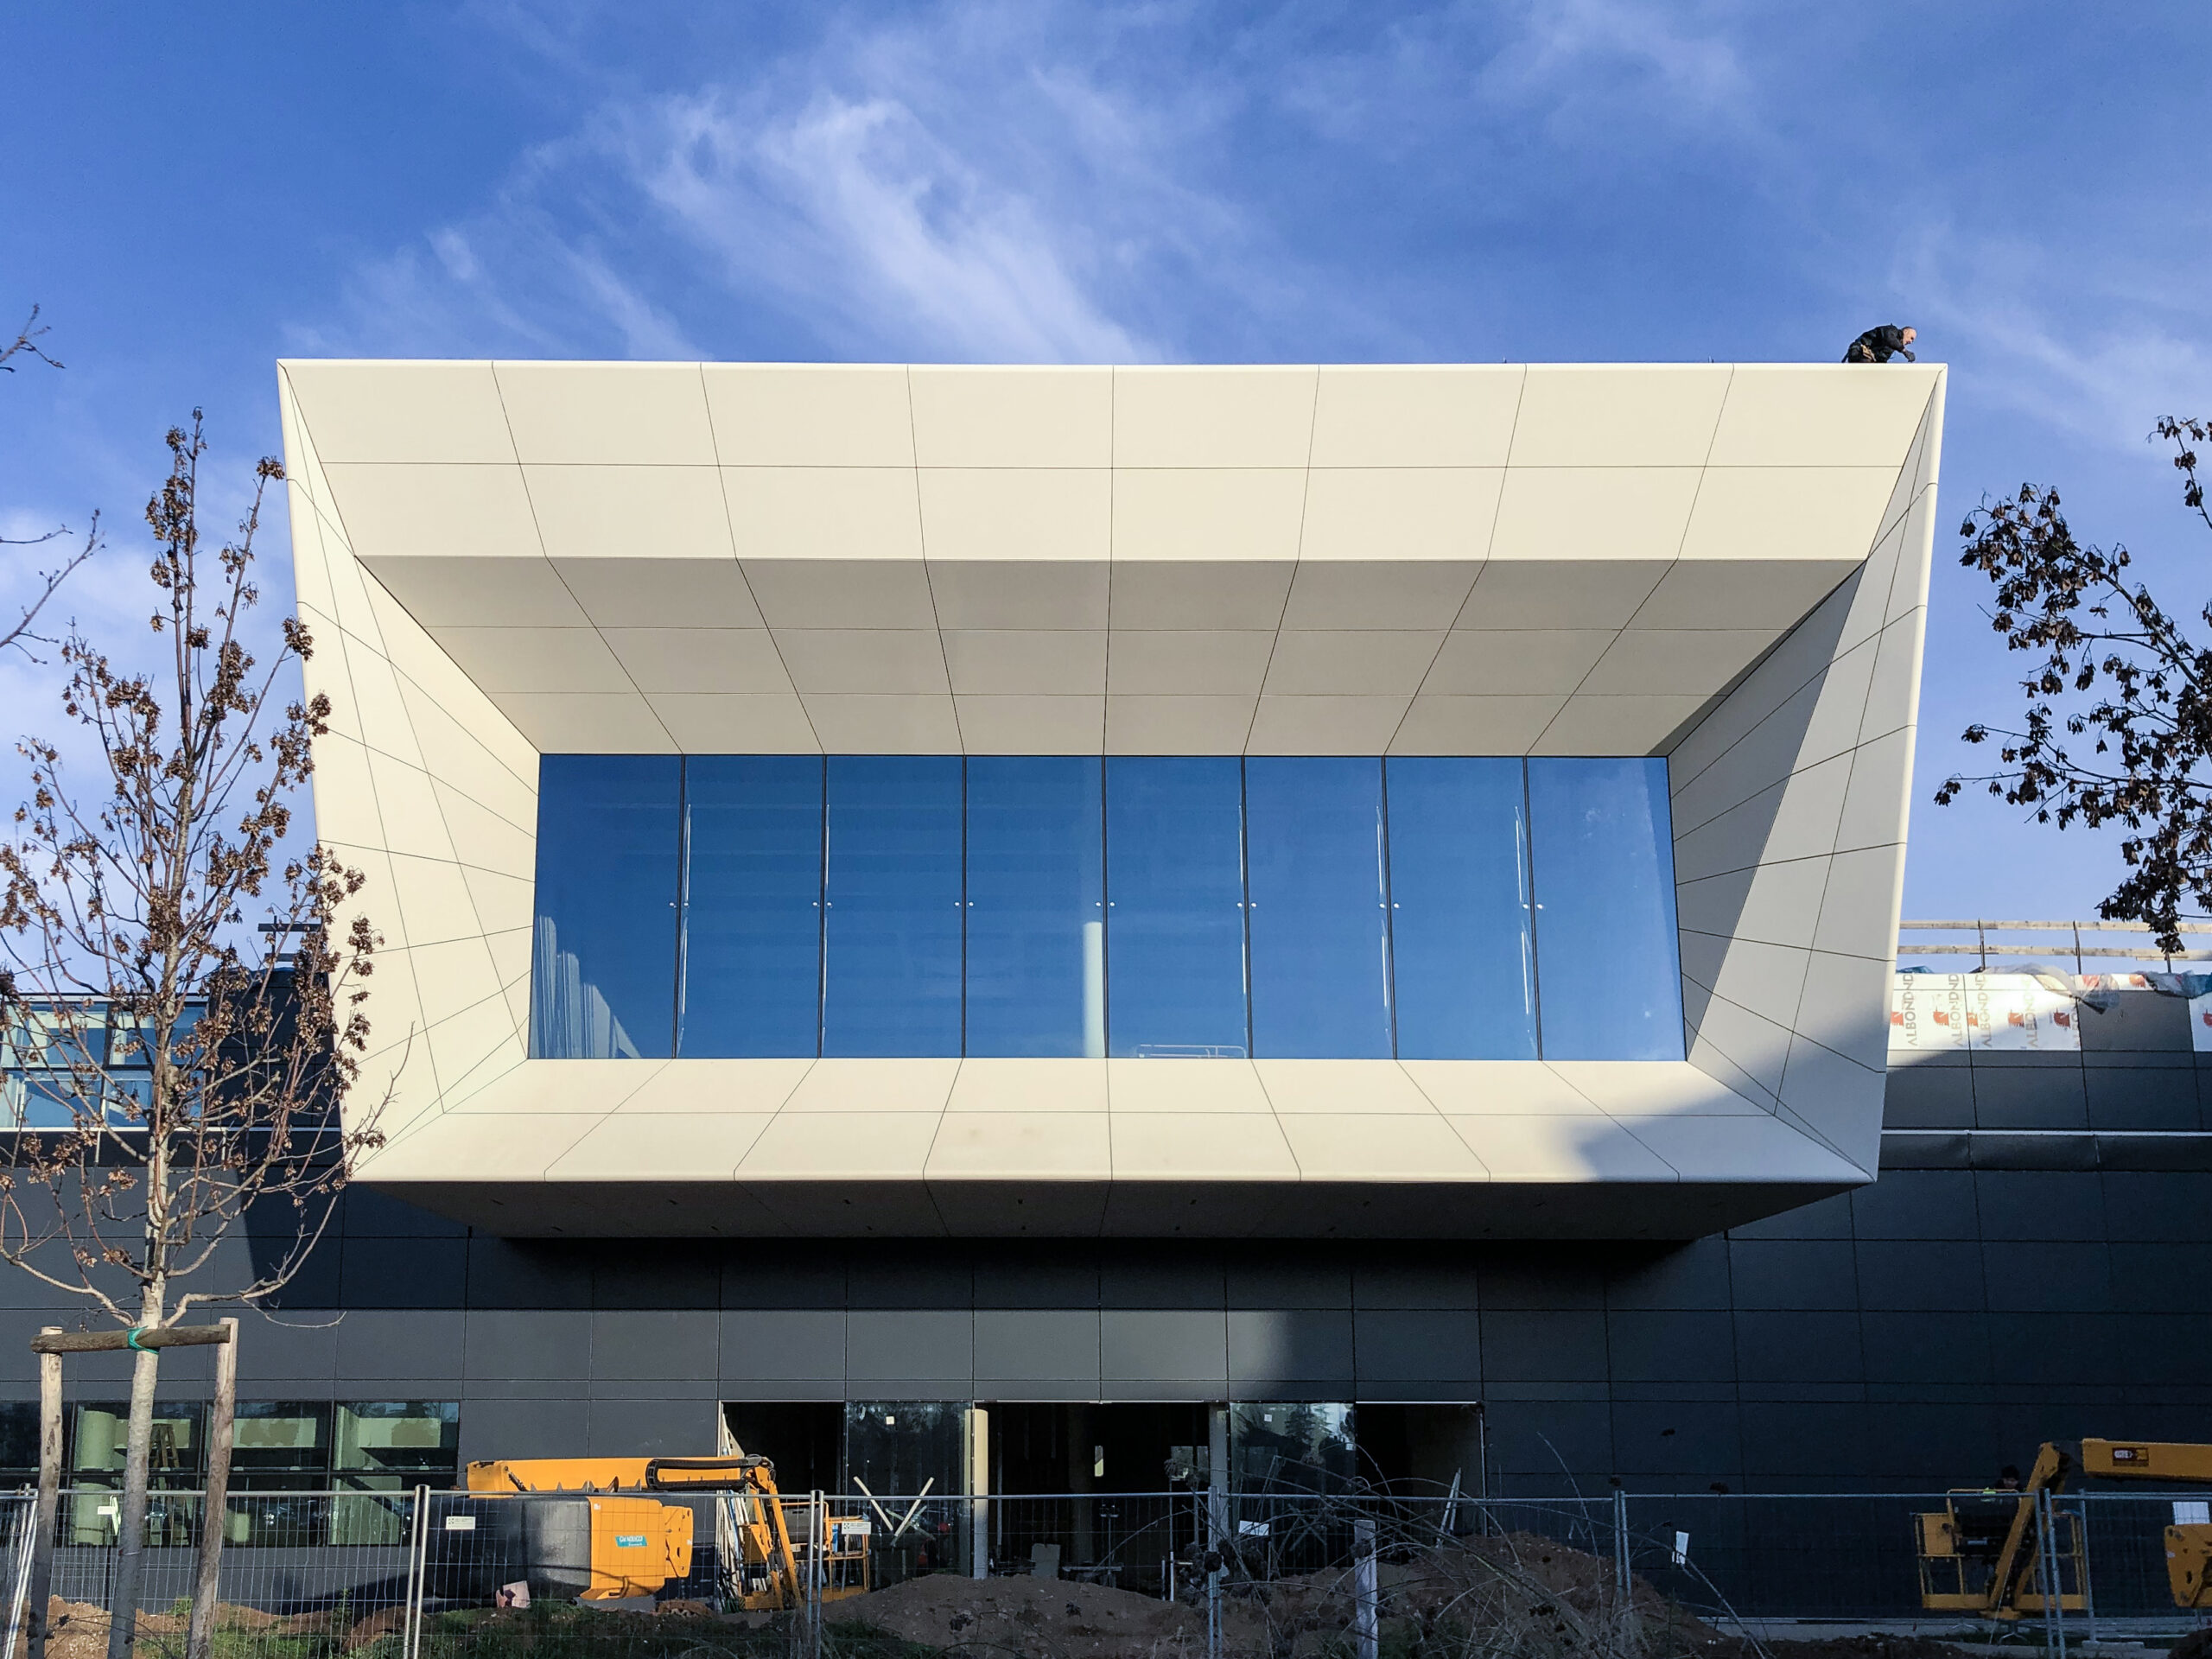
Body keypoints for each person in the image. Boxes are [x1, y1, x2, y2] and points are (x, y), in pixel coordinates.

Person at [1844, 324, 1916, 364]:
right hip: (1860, 351)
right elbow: (1889, 338)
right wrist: (1905, 351)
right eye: (1911, 338)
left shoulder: (1889, 349)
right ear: (1905, 331)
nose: (1911, 342)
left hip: (1869, 358)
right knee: (1867, 370)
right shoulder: (1892, 330)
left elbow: (1881, 362)